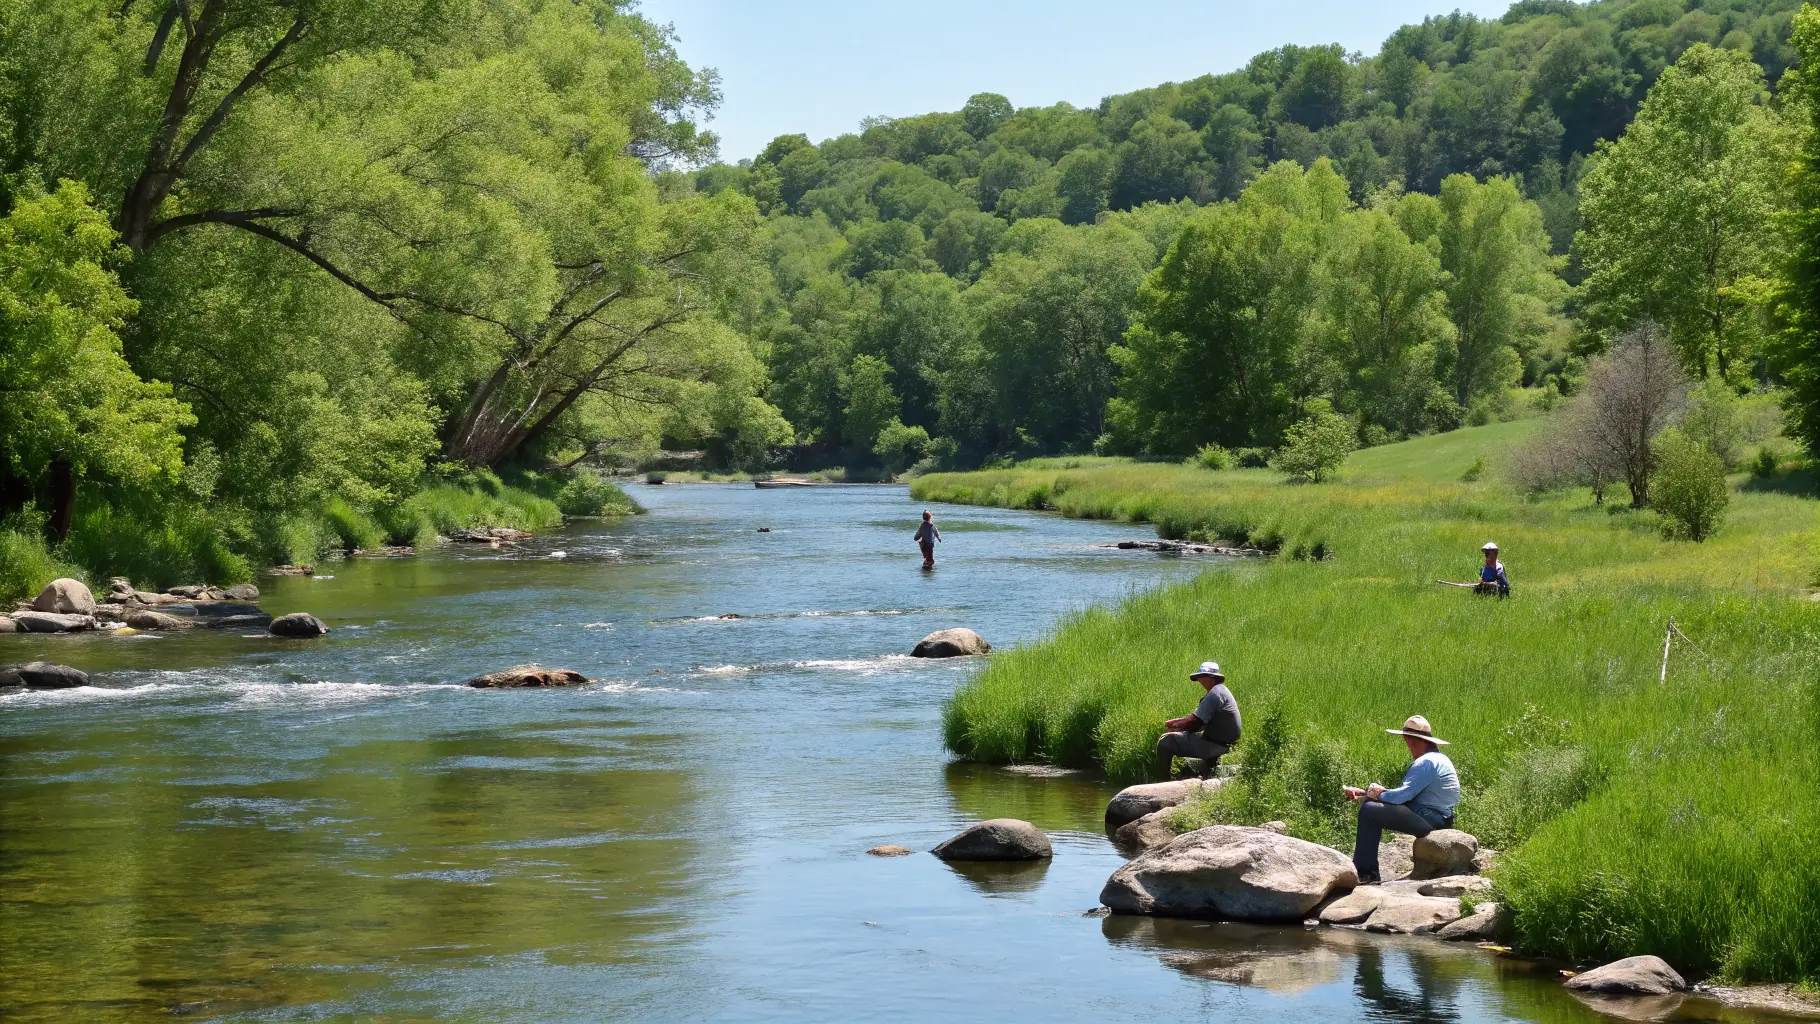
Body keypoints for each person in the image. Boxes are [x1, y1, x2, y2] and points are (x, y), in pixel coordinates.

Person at [1342, 715, 1460, 884]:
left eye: (1406, 741)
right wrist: (1366, 794)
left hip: (1431, 818)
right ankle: (1367, 873)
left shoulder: (1425, 763)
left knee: (1370, 811)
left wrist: (1375, 794)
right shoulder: (1439, 759)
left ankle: (1366, 873)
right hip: (1439, 816)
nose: (1408, 747)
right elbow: (1404, 797)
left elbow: (1400, 798)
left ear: (1412, 740)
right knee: (1371, 805)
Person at [1153, 661, 1242, 780]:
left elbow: (1195, 723)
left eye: (1203, 676)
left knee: (1165, 741)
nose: (1201, 680)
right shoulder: (1221, 692)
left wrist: (1176, 726)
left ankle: (1162, 781)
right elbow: (1198, 722)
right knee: (1191, 736)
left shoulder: (1215, 694)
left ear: (1212, 678)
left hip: (1215, 745)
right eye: (1200, 677)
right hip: (1222, 742)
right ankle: (1205, 773)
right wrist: (1182, 724)